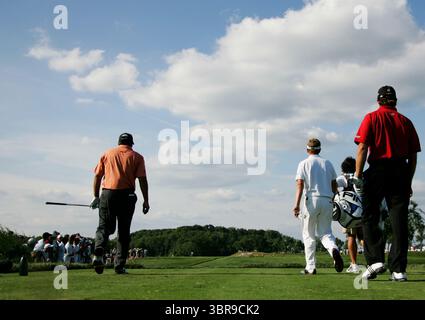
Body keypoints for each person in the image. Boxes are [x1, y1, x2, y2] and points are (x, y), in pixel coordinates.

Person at [354, 86, 421, 281]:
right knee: (399, 220)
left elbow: (363, 147)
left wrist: (358, 175)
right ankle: (398, 269)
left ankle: (375, 260)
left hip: (377, 170)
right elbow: (413, 157)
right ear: (395, 101)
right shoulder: (406, 122)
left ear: (379, 101)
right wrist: (408, 180)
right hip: (400, 171)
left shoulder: (372, 117)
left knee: (369, 215)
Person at [90, 133, 150, 275]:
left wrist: (96, 196)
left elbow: (98, 176)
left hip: (108, 194)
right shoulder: (137, 157)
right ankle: (119, 266)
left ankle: (99, 251)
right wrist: (146, 200)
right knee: (123, 231)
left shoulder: (107, 154)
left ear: (119, 142)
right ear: (131, 144)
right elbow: (142, 180)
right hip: (127, 195)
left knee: (104, 226)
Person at [293, 138, 343, 274]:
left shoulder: (303, 163)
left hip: (311, 200)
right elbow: (334, 185)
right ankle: (334, 250)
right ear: (320, 149)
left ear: (307, 149)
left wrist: (296, 205)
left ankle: (310, 267)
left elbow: (300, 185)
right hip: (327, 200)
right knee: (325, 233)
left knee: (308, 234)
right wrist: (333, 198)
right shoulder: (328, 163)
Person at [336, 157, 364, 273]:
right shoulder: (360, 176)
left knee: (351, 237)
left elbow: (333, 184)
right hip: (362, 209)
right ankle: (373, 262)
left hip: (349, 211)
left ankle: (354, 264)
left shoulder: (342, 178)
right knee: (363, 238)